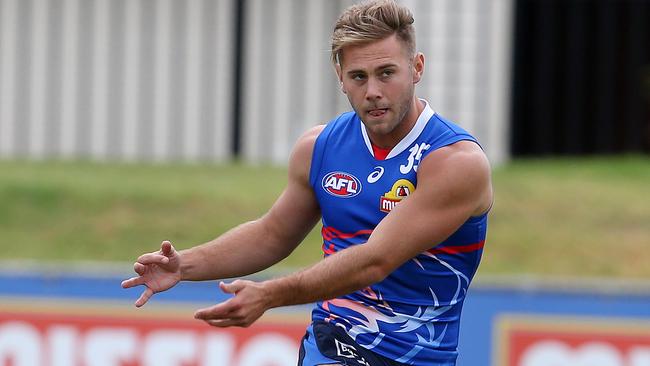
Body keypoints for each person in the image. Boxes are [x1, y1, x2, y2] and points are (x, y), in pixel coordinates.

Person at [122, 0, 493, 364]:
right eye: (358, 77)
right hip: (336, 343)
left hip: (419, 356)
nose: (373, 91)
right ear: (340, 77)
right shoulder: (320, 147)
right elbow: (272, 235)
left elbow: (374, 261)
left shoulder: (455, 163)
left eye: (386, 73)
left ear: (417, 67)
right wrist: (183, 265)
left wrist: (269, 295)